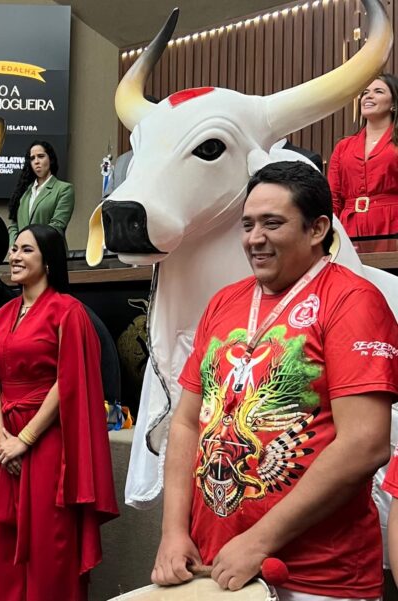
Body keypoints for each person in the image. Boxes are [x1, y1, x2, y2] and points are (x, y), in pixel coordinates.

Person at [151, 161, 398, 600]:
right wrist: (173, 532)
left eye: (272, 223)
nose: (254, 238)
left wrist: (258, 541)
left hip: (317, 578)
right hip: (215, 565)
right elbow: (188, 421)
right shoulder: (223, 302)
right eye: (247, 225)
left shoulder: (352, 300)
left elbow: (365, 443)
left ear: (317, 228)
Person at [0, 224, 118, 601]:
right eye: (14, 249)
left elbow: (68, 382)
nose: (15, 257)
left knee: (49, 547)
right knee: (4, 547)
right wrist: (1, 435)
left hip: (49, 443)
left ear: (48, 262)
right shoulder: (3, 313)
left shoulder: (68, 313)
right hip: (4, 445)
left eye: (26, 250)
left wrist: (25, 439)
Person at [328, 73, 398, 237]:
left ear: (393, 104)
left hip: (393, 224)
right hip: (349, 228)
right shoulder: (343, 146)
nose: (369, 96)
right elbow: (333, 199)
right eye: (365, 92)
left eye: (378, 91)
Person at [7, 142, 75, 246]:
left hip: (49, 254)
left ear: (50, 159)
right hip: (23, 256)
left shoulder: (64, 189)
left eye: (41, 156)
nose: (36, 161)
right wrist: (15, 246)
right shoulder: (24, 191)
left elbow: (57, 226)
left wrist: (31, 245)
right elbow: (14, 225)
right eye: (32, 158)